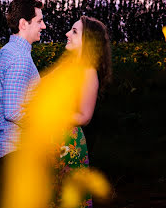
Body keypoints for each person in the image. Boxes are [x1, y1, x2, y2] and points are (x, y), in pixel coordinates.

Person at [50, 16, 112, 208]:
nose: (67, 34)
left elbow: (85, 116)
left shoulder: (88, 72)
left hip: (69, 147)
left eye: (74, 31)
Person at [0, 0, 46, 205]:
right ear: (24, 24)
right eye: (39, 21)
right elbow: (14, 111)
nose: (44, 26)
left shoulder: (10, 52)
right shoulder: (19, 58)